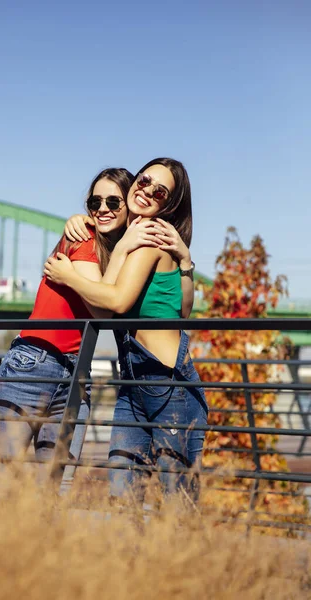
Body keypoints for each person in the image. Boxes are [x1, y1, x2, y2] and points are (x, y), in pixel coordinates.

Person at [0, 167, 168, 490]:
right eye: (94, 202)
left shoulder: (115, 256)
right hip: (32, 365)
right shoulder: (83, 238)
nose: (102, 210)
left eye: (113, 202)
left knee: (54, 493)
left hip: (75, 374)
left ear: (129, 206)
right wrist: (121, 249)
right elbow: (101, 310)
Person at [44, 158, 208, 503]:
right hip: (132, 387)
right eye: (144, 180)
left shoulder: (149, 238)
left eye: (159, 191)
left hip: (168, 385)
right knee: (122, 496)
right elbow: (177, 307)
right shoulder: (132, 238)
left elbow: (116, 301)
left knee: (178, 505)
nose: (147, 190)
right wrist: (84, 221)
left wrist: (70, 276)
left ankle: (193, 559)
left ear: (169, 204)